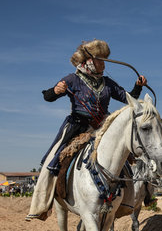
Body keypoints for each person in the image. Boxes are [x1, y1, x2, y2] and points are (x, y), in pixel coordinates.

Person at [25, 39, 147, 221]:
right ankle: (42, 204)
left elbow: (128, 98)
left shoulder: (107, 83)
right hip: (77, 125)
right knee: (52, 160)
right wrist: (56, 90)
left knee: (125, 159)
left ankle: (125, 203)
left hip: (103, 126)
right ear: (89, 61)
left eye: (105, 61)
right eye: (101, 60)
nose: (104, 65)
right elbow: (47, 97)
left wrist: (138, 86)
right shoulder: (72, 79)